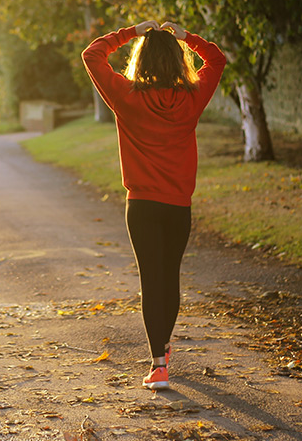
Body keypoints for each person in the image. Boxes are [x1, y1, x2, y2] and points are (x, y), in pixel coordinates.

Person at [82, 20, 227, 390]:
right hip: (178, 205)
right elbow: (217, 59)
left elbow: (92, 54)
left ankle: (159, 364)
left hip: (142, 206)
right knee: (170, 277)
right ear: (179, 62)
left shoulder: (126, 96)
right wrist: (186, 37)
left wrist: (131, 32)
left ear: (141, 60)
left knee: (152, 280)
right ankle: (162, 348)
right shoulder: (192, 98)